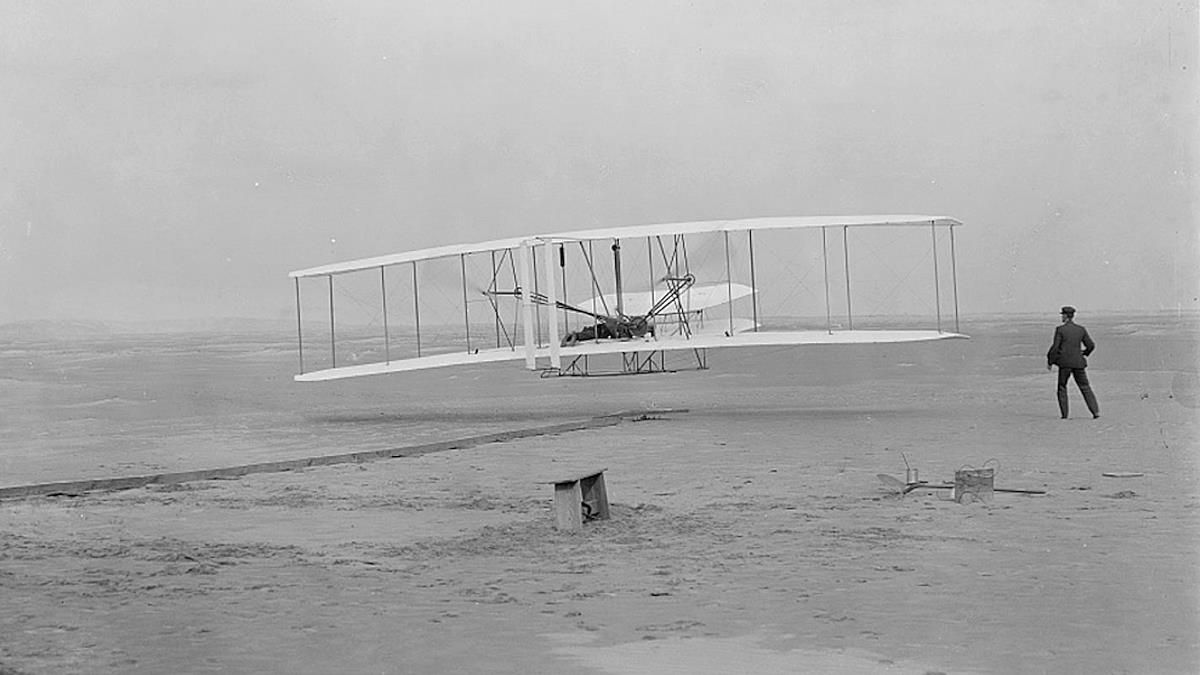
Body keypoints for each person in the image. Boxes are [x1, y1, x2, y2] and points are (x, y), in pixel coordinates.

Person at [1046, 306, 1100, 419]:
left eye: (1062, 315)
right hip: (1078, 363)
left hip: (1065, 363)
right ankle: (1095, 412)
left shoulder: (1060, 330)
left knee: (1062, 387)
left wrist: (1050, 361)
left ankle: (1064, 415)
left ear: (1065, 316)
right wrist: (1084, 353)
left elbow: (1055, 347)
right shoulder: (1081, 329)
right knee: (1085, 387)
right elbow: (1091, 345)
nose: (1061, 316)